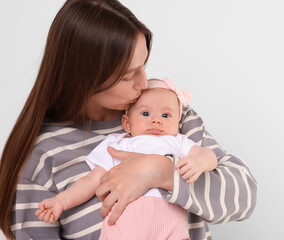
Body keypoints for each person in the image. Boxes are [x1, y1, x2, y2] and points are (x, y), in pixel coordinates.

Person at [0, 0, 257, 239]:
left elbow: (244, 196)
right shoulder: (41, 160)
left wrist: (161, 172)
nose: (144, 83)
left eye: (143, 65)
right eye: (128, 75)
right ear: (83, 76)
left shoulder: (164, 115)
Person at [35, 78, 218, 239]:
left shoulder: (179, 142)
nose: (156, 120)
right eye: (145, 114)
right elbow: (92, 180)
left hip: (171, 229)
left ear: (178, 122)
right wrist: (61, 201)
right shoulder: (119, 145)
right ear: (127, 124)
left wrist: (199, 162)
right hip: (126, 229)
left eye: (166, 115)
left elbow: (209, 155)